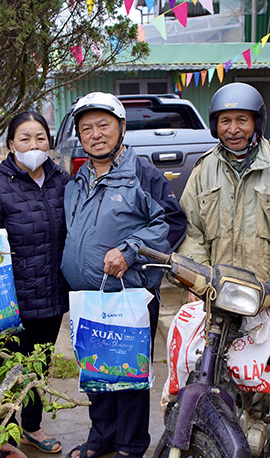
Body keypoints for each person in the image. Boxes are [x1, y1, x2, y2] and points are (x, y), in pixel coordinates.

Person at [177, 82, 270, 458]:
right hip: (219, 299)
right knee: (209, 375)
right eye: (226, 121)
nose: (234, 128)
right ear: (215, 125)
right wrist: (196, 277)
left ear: (257, 122)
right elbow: (191, 231)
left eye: (242, 119)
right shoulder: (203, 171)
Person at [61, 92, 186, 458]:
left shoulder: (141, 173)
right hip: (89, 295)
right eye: (87, 128)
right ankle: (101, 437)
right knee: (97, 372)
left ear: (121, 128)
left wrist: (131, 251)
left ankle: (130, 445)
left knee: (129, 375)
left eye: (103, 125)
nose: (95, 134)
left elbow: (172, 221)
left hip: (129, 295)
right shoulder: (77, 180)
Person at [0, 111, 70, 454]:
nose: (33, 145)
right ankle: (5, 437)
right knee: (9, 367)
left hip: (53, 294)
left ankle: (32, 427)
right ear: (10, 144)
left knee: (39, 365)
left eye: (40, 138)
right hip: (13, 299)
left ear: (50, 142)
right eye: (24, 138)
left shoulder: (62, 180)